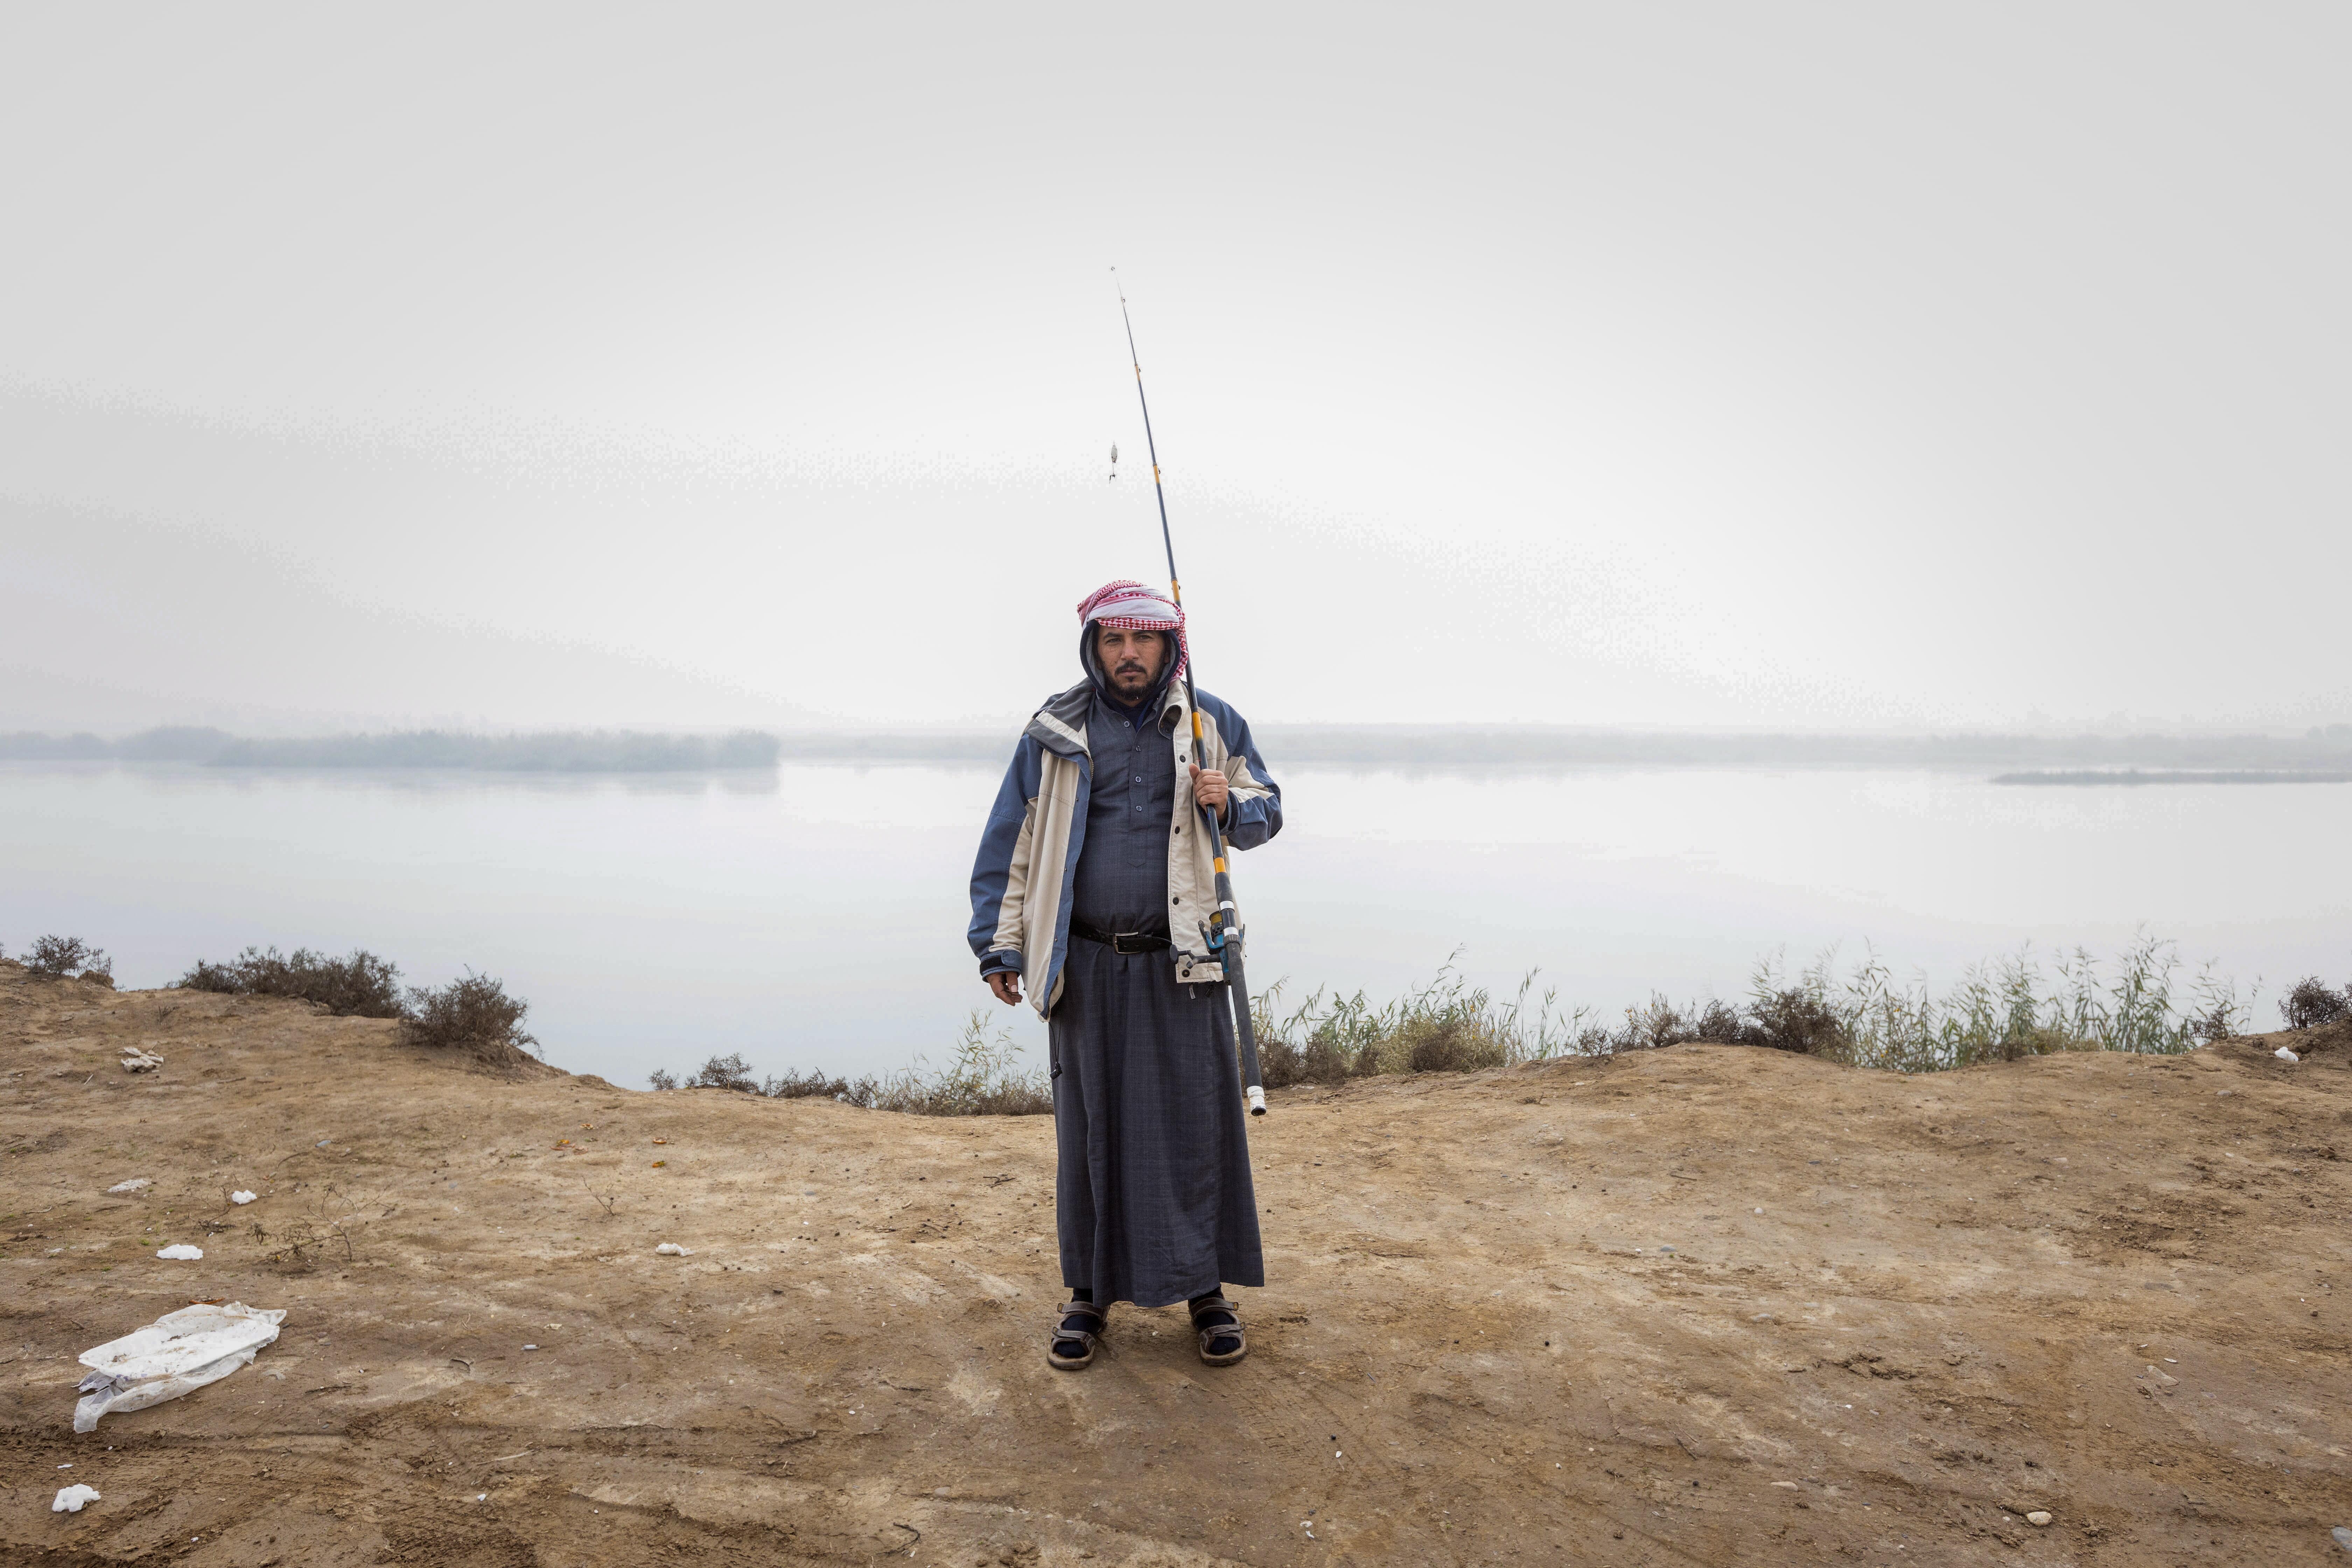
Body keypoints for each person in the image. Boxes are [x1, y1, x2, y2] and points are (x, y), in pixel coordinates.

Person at [968, 580, 1283, 1370]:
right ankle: (1087, 1294)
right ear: (1093, 646)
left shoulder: (1212, 722)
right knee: (1091, 1131)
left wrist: (1230, 801)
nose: (1129, 653)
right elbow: (1013, 846)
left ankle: (1206, 1291)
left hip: (1187, 961)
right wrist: (999, 945)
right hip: (1087, 965)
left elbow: (1267, 806)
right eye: (1114, 639)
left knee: (1198, 1127)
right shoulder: (1054, 732)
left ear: (1169, 646)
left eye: (1144, 639)